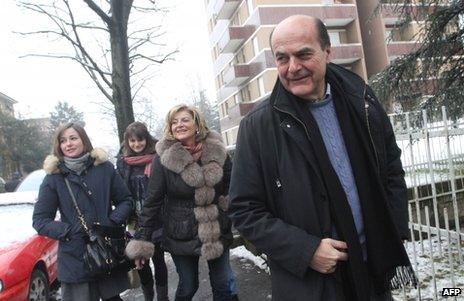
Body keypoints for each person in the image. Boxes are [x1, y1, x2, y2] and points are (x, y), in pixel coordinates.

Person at [228, 15, 416, 301]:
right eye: (282, 58)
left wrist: (394, 230)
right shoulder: (257, 126)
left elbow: (391, 169)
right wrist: (306, 251)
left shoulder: (362, 102)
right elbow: (244, 210)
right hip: (311, 287)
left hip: (374, 273)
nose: (293, 67)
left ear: (327, 52)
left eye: (303, 54)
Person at [125, 104, 237, 301]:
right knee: (188, 286)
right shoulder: (163, 159)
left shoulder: (217, 150)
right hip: (180, 231)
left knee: (224, 285)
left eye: (185, 120)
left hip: (216, 228)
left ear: (197, 123)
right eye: (174, 122)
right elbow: (152, 202)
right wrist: (142, 240)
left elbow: (232, 183)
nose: (179, 125)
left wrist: (226, 210)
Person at [32, 122, 133, 301]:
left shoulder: (105, 168)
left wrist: (111, 222)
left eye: (73, 138)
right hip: (75, 258)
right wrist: (69, 231)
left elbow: (126, 201)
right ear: (59, 146)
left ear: (83, 140)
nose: (68, 144)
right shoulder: (53, 178)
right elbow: (40, 220)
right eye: (63, 141)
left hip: (105, 250)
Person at [116, 121, 169, 301]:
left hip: (156, 216)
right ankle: (148, 296)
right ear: (127, 142)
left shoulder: (158, 158)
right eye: (132, 141)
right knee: (140, 260)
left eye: (140, 140)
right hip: (134, 219)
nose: (137, 144)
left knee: (159, 259)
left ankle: (163, 297)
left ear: (147, 139)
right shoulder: (123, 163)